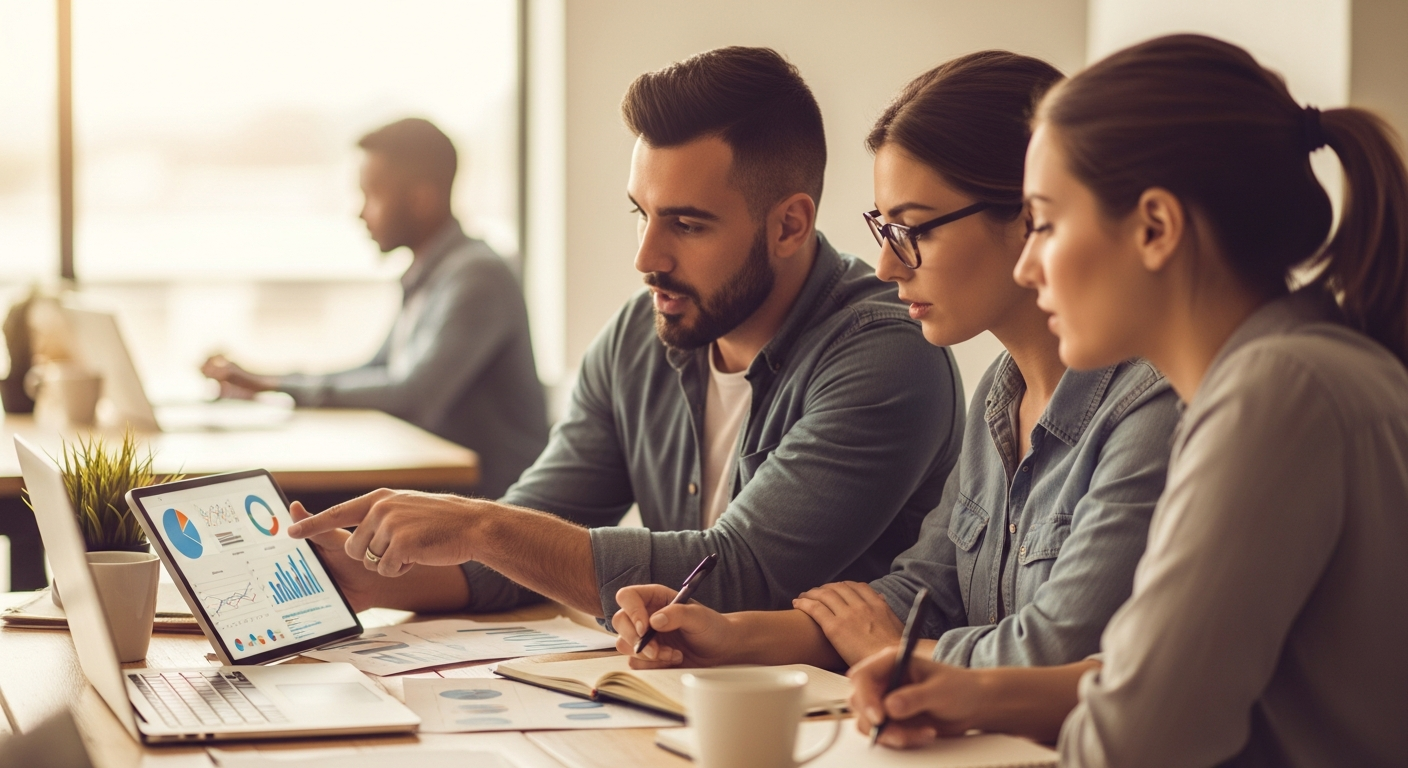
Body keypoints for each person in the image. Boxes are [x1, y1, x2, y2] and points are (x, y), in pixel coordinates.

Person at [848, 34, 1408, 766]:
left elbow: (1135, 740)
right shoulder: (1287, 371)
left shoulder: (1273, 396)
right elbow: (1151, 677)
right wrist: (974, 693)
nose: (1028, 265)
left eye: (1046, 224)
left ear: (1155, 228)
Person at [285, 47, 963, 619]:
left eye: (687, 225)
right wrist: (372, 580)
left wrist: (481, 525)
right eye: (641, 214)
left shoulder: (885, 353)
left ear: (789, 225)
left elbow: (735, 576)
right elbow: (521, 548)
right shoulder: (640, 337)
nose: (646, 257)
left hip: (831, 716)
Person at [610, 52, 1180, 672]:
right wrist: (727, 635)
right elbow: (924, 595)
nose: (886, 265)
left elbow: (1051, 653)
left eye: (914, 230)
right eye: (883, 228)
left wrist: (892, 650)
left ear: (1029, 217)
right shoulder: (1000, 394)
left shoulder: (1150, 406)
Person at [201, 118, 548, 499]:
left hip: (491, 500)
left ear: (421, 200)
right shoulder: (432, 275)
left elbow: (412, 396)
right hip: (440, 488)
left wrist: (278, 386)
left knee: (290, 501)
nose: (360, 212)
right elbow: (377, 370)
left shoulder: (478, 277)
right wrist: (272, 383)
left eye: (372, 195)